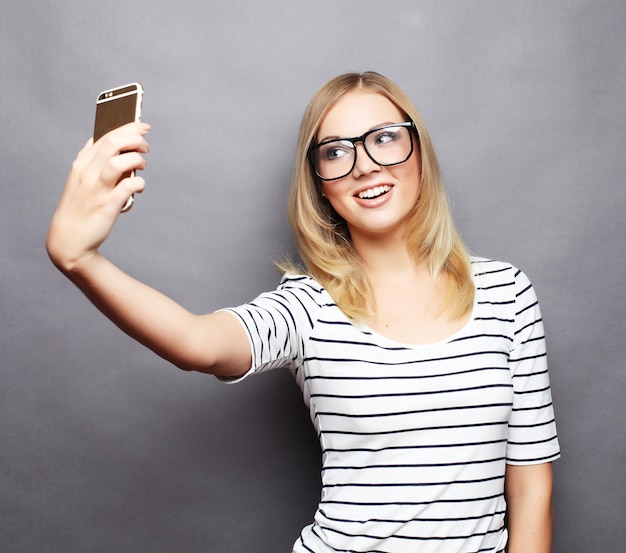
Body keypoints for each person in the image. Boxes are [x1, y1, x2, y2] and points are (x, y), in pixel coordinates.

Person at [46, 71, 560, 553]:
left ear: (418, 150)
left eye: (384, 138)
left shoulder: (506, 292)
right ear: (319, 182)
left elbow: (531, 483)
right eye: (336, 152)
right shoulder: (308, 306)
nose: (364, 166)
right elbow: (199, 344)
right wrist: (80, 260)